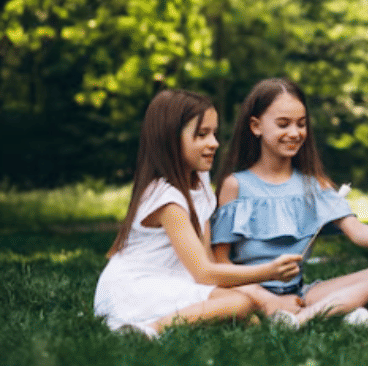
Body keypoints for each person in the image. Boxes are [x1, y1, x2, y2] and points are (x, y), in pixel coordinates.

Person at [94, 90, 303, 338]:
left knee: (248, 315)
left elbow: (208, 262)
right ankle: (148, 330)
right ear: (170, 139)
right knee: (239, 305)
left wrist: (257, 296)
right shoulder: (166, 198)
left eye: (214, 133)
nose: (214, 143)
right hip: (134, 289)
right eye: (202, 135)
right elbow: (203, 272)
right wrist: (268, 272)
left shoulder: (201, 182)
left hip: (177, 282)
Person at [211, 78, 368, 327]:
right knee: (238, 303)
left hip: (299, 294)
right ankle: (332, 313)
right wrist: (264, 298)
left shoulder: (315, 183)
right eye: (283, 124)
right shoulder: (235, 185)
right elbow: (220, 263)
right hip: (247, 291)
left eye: (301, 124)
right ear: (256, 126)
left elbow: (355, 230)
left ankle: (300, 319)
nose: (294, 133)